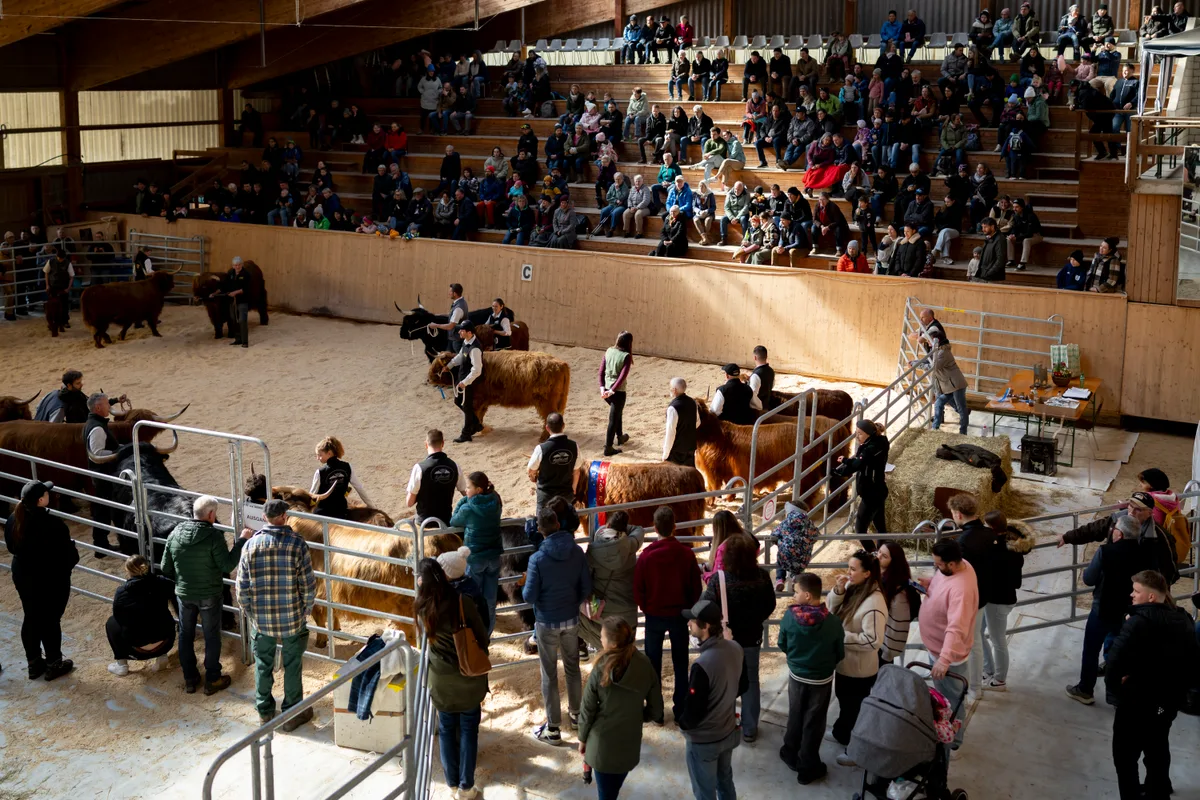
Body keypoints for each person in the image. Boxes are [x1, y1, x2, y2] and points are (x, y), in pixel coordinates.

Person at [1106, 569, 1200, 800]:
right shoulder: (1184, 618)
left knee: (1125, 756)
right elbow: (1192, 662)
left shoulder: (1137, 623)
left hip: (1136, 704)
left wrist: (1120, 692)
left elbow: (1113, 667)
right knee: (1157, 747)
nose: (1131, 595)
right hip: (1164, 706)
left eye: (1136, 591)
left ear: (1150, 597)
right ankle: (1159, 791)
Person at [237, 498, 317, 729]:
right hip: (292, 617)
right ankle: (292, 713)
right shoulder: (297, 544)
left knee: (263, 664)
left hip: (262, 620)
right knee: (293, 664)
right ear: (285, 517)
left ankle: (264, 711)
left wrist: (250, 612)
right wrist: (305, 611)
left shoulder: (251, 545)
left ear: (264, 517)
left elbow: (241, 586)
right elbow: (308, 585)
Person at [160, 494, 251, 693]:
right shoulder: (213, 536)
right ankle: (213, 678)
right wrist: (242, 541)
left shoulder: (175, 533)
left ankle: (190, 679)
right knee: (211, 636)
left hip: (184, 594)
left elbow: (165, 567)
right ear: (210, 514)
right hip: (210, 594)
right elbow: (227, 564)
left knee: (185, 635)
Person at [416, 557, 488, 800]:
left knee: (446, 730)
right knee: (469, 729)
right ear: (444, 576)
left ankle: (452, 784)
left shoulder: (421, 609)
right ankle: (467, 787)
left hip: (440, 681)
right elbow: (482, 636)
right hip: (468, 679)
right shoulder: (461, 602)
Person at [523, 506, 591, 745]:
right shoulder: (577, 552)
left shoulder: (537, 559)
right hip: (571, 620)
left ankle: (553, 728)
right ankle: (576, 715)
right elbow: (586, 588)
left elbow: (529, 596)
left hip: (546, 622)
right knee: (572, 667)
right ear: (559, 525)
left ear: (540, 530)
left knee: (549, 673)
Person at [579, 617, 664, 800]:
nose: (601, 640)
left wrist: (582, 738)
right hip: (629, 746)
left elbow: (587, 708)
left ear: (613, 642)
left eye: (602, 637)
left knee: (606, 794)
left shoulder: (600, 667)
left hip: (602, 745)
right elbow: (656, 709)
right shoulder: (645, 665)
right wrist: (636, 716)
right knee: (612, 791)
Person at [701, 534, 776, 743]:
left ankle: (727, 725)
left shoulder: (719, 579)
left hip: (726, 640)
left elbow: (707, 607)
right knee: (751, 681)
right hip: (752, 638)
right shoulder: (763, 576)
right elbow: (770, 605)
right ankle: (750, 729)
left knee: (727, 683)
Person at [5, 480, 78, 681]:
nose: (50, 496)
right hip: (50, 578)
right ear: (40, 500)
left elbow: (12, 548)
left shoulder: (13, 519)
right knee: (51, 619)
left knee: (31, 616)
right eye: (47, 494)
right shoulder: (52, 524)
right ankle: (54, 663)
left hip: (23, 575)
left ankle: (34, 664)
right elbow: (68, 556)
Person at [777, 572, 844, 784]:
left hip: (797, 676)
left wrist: (796, 659)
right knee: (814, 721)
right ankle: (808, 766)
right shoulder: (833, 622)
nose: (794, 596)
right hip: (821, 680)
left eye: (796, 592)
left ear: (807, 595)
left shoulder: (790, 617)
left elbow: (782, 644)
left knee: (795, 713)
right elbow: (839, 653)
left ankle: (790, 752)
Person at [635, 506, 701, 719]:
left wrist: (648, 608)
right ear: (674, 526)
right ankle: (681, 707)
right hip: (679, 616)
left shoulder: (645, 557)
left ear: (655, 528)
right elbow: (696, 589)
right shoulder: (687, 554)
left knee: (652, 662)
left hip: (654, 616)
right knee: (681, 662)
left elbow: (638, 589)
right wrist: (687, 607)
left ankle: (655, 710)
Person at [678, 597, 745, 800]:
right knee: (725, 781)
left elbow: (693, 711)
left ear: (705, 626)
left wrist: (682, 724)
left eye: (692, 621)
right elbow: (744, 686)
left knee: (705, 793)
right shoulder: (735, 648)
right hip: (727, 732)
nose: (688, 623)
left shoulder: (703, 664)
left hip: (705, 741)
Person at [825, 549, 887, 766]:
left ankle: (856, 751)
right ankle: (842, 733)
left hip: (860, 670)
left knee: (855, 710)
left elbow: (873, 640)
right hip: (845, 664)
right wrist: (838, 590)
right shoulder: (854, 588)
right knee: (844, 702)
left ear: (868, 573)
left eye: (853, 569)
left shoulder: (875, 603)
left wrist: (840, 636)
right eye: (848, 567)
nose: (848, 573)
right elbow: (832, 609)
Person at [918, 539, 978, 749]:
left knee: (952, 699)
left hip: (947, 655)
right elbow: (944, 583)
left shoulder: (961, 590)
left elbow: (956, 626)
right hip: (937, 646)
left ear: (952, 563)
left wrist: (944, 659)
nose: (937, 568)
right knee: (946, 696)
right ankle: (949, 731)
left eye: (940, 565)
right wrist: (930, 583)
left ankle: (954, 741)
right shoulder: (959, 566)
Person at [948, 493, 997, 699]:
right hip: (985, 594)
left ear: (958, 514)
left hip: (969, 598)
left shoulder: (963, 541)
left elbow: (957, 573)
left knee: (970, 641)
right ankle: (976, 686)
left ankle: (973, 687)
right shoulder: (989, 534)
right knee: (976, 640)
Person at [980, 511, 1033, 691]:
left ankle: (1000, 679)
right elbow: (1016, 581)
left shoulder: (997, 550)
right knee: (979, 632)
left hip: (998, 600)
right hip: (999, 598)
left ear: (993, 528)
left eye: (986, 526)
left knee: (998, 639)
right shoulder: (1014, 548)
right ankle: (988, 669)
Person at [578, 510, 645, 653]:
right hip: (629, 612)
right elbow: (639, 529)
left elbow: (585, 579)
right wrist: (621, 528)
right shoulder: (630, 544)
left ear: (607, 525)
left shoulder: (593, 550)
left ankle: (585, 648)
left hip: (604, 614)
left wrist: (603, 530)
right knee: (625, 650)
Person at [448, 471, 503, 636]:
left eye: (469, 487)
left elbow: (454, 520)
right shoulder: (496, 500)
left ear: (478, 489)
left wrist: (464, 501)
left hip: (475, 557)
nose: (466, 490)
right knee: (490, 600)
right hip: (493, 556)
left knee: (472, 599)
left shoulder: (467, 507)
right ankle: (487, 634)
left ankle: (474, 635)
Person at [106, 554, 178, 676]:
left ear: (128, 571)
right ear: (147, 567)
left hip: (136, 647)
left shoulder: (121, 591)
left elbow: (119, 617)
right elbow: (178, 592)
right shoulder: (162, 582)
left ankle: (121, 664)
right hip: (165, 642)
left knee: (112, 622)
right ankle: (162, 657)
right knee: (160, 617)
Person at [833, 419, 890, 552]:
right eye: (856, 433)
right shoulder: (879, 442)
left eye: (860, 434)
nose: (857, 436)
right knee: (880, 526)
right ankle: (882, 553)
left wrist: (844, 462)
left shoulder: (870, 448)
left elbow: (857, 464)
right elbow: (858, 464)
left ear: (869, 434)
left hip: (871, 493)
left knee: (860, 529)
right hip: (879, 490)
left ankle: (873, 554)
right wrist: (839, 471)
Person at [84, 392, 126, 556]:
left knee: (104, 510)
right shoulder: (97, 428)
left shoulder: (94, 423)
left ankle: (101, 546)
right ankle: (101, 546)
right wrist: (119, 451)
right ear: (98, 407)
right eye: (107, 404)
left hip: (102, 475)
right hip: (104, 475)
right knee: (104, 511)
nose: (109, 406)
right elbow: (97, 453)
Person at [406, 428, 467, 526]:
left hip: (424, 523)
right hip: (445, 522)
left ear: (426, 444)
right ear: (442, 443)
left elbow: (409, 503)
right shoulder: (455, 466)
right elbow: (465, 493)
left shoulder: (419, 468)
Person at [309, 436, 372, 519]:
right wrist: (372, 506)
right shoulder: (348, 467)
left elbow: (312, 495)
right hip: (341, 512)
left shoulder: (320, 472)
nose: (318, 458)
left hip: (323, 514)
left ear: (329, 453)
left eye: (320, 455)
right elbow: (359, 488)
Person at [526, 412, 577, 513]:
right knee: (565, 523)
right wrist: (573, 488)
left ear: (547, 428)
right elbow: (577, 471)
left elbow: (531, 470)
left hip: (546, 495)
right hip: (566, 494)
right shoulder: (574, 446)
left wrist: (534, 479)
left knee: (544, 524)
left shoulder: (540, 448)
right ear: (563, 426)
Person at [876, 542, 918, 664]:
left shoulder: (898, 590)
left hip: (884, 645)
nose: (878, 557)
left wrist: (888, 652)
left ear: (894, 562)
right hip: (879, 639)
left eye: (884, 556)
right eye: (879, 552)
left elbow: (897, 624)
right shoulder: (883, 577)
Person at [922, 330, 970, 435]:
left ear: (937, 341)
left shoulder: (943, 353)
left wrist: (918, 365)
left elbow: (934, 367)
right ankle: (935, 428)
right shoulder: (938, 351)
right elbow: (929, 362)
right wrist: (915, 363)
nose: (929, 342)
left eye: (930, 340)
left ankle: (963, 432)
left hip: (956, 385)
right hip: (950, 385)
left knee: (961, 408)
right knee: (939, 403)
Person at [447, 321, 484, 443]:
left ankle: (466, 434)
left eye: (461, 330)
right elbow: (461, 356)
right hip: (462, 379)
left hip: (469, 383)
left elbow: (477, 370)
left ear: (469, 332)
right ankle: (477, 425)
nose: (459, 332)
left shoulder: (475, 349)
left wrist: (465, 382)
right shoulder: (466, 342)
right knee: (458, 401)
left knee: (466, 407)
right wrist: (450, 365)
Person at [600, 331, 633, 456]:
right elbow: (622, 377)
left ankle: (620, 437)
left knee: (617, 412)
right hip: (617, 392)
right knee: (613, 419)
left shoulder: (609, 351)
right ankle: (608, 447)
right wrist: (613, 390)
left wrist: (602, 388)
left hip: (606, 390)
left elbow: (601, 371)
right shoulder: (626, 356)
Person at [663, 377, 700, 467]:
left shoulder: (673, 408)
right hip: (690, 449)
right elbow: (697, 423)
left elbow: (671, 433)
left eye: (670, 388)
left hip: (676, 452)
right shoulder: (693, 402)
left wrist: (665, 454)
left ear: (674, 390)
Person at [223, 256, 252, 348]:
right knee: (233, 319)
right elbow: (225, 285)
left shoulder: (246, 274)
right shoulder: (230, 273)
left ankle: (245, 341)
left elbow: (247, 289)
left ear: (242, 265)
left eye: (239, 265)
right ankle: (237, 339)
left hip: (242, 301)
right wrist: (216, 292)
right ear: (233, 266)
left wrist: (235, 292)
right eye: (235, 265)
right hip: (233, 301)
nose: (237, 267)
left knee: (242, 320)